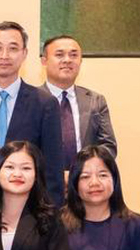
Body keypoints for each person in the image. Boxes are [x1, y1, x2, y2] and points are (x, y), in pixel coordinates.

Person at [0, 22, 64, 208]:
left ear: (24, 53)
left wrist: (51, 213)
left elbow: (52, 167)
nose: (4, 55)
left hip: (29, 207)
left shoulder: (45, 103)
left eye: (13, 48)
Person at [40, 34, 118, 170]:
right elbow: (23, 148)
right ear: (44, 61)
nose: (67, 60)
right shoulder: (30, 100)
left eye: (73, 55)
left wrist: (83, 172)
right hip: (43, 180)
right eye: (59, 55)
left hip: (84, 179)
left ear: (80, 61)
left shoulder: (96, 100)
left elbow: (108, 146)